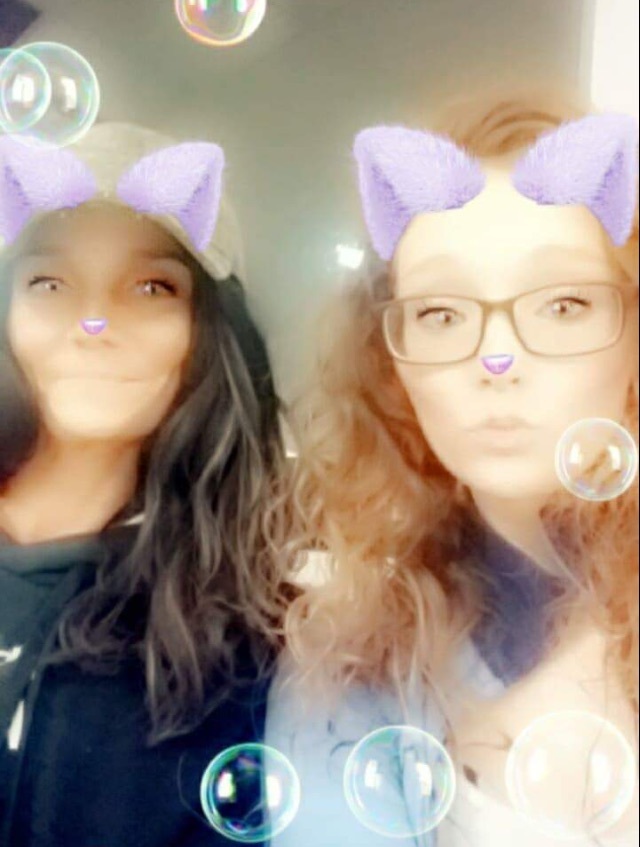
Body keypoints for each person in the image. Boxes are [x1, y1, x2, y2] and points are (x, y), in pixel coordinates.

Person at [265, 85, 639, 846]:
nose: (496, 359)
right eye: (441, 312)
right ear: (391, 366)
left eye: (563, 303)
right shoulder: (350, 665)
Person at [0, 122, 290, 847]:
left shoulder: (253, 653)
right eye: (49, 282)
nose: (96, 321)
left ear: (206, 334)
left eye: (152, 286)